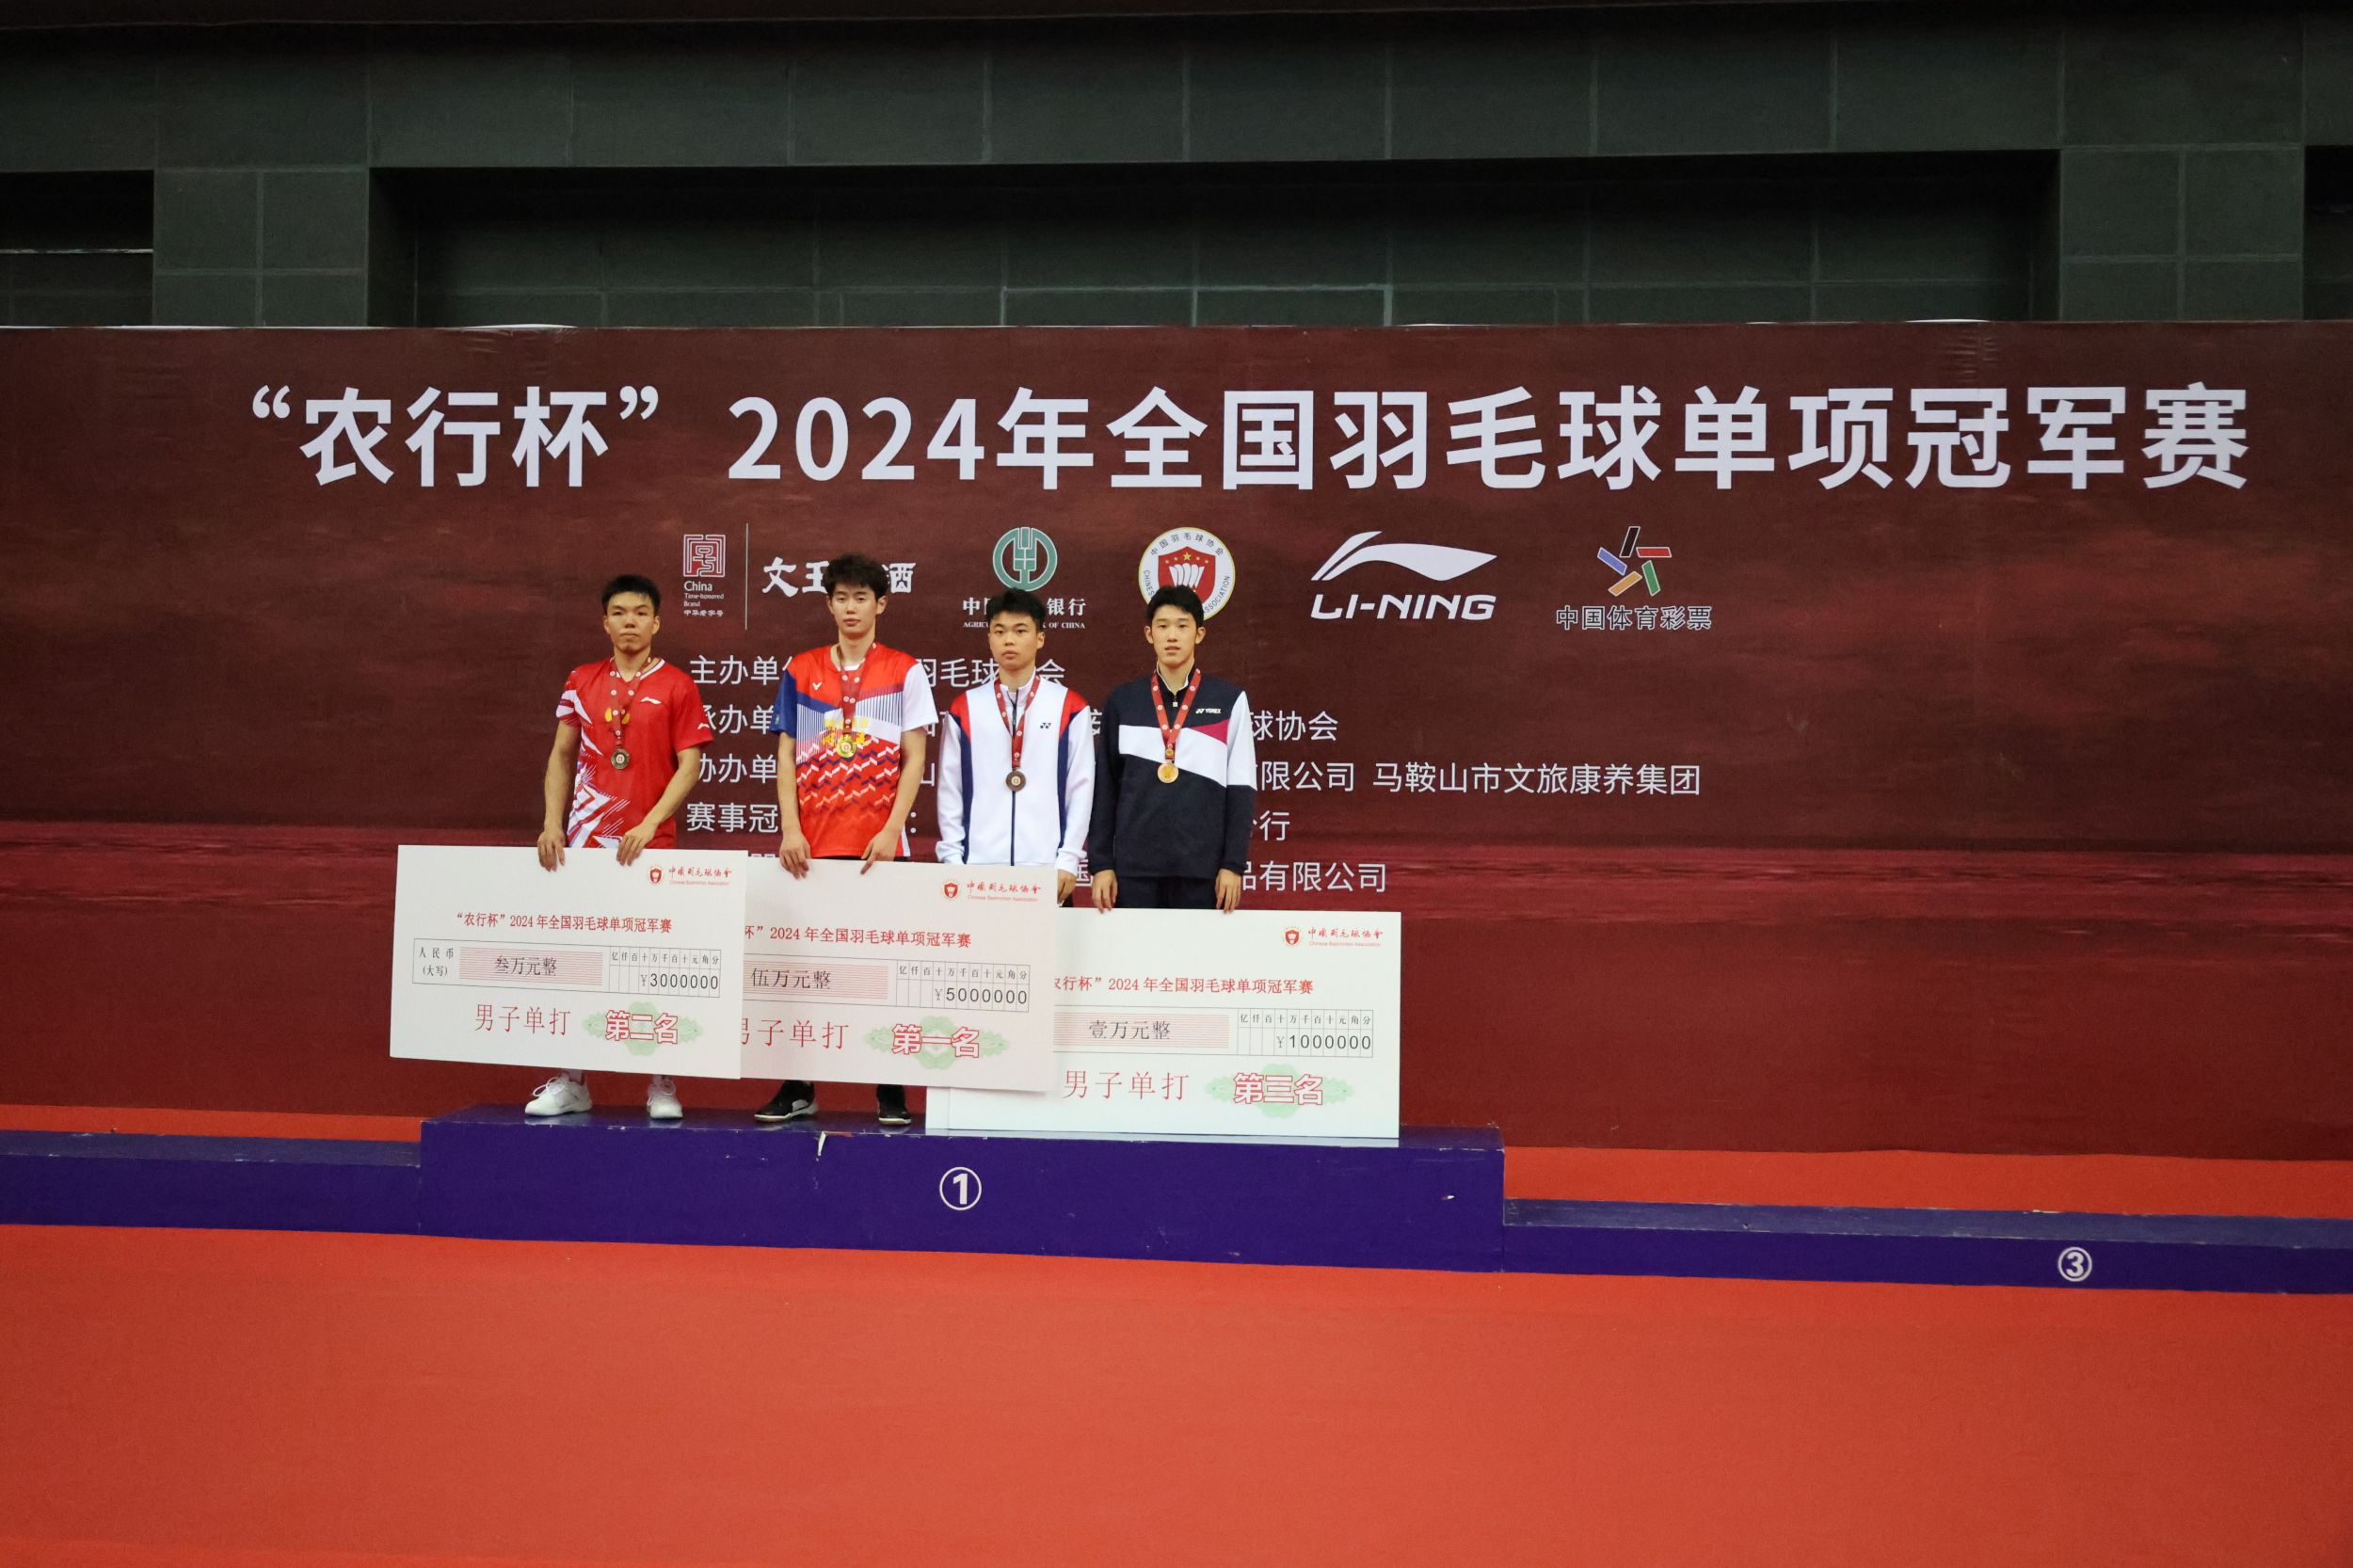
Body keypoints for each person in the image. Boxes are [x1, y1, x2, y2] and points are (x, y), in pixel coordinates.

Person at [756, 553, 936, 1126]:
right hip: (811, 848)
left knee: (886, 971)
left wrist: (891, 829)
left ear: (881, 604)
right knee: (807, 973)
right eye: (841, 598)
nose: (851, 608)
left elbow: (914, 758)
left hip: (879, 848)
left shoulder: (905, 670)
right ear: (829, 604)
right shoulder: (801, 668)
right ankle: (799, 1086)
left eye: (862, 597)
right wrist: (791, 829)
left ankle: (890, 1089)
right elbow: (785, 754)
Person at [527, 573, 714, 1121]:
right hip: (584, 844)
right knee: (581, 964)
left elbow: (690, 765)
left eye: (640, 612)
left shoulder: (678, 685)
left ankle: (661, 1082)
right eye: (619, 612)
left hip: (649, 846)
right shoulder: (581, 680)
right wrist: (552, 823)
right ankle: (573, 1081)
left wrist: (651, 822)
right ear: (605, 622)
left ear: (657, 622)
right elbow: (562, 756)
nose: (630, 621)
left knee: (653, 966)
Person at [1089, 584, 1256, 913]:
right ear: (1149, 634)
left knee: (1197, 950)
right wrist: (1101, 863)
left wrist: (1233, 864)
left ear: (1199, 633)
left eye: (1182, 625)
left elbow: (1241, 788)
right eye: (1163, 626)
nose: (1172, 636)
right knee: (1135, 949)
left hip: (1203, 872)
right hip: (1134, 871)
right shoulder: (1123, 701)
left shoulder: (1229, 700)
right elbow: (1105, 787)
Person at [936, 587, 1093, 902]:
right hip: (978, 869)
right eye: (1000, 631)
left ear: (1040, 638)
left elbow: (1081, 786)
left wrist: (1068, 858)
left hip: (1046, 869)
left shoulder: (1069, 706)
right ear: (989, 639)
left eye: (1020, 631)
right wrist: (953, 858)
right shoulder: (965, 707)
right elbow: (950, 788)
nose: (1009, 640)